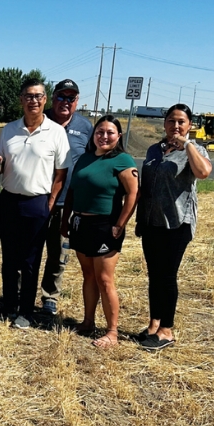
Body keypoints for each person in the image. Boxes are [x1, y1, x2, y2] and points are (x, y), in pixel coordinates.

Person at [0, 78, 70, 330]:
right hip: (10, 200)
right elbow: (2, 164)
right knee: (10, 259)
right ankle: (7, 307)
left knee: (30, 261)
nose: (33, 101)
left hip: (38, 203)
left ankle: (26, 311)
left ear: (44, 100)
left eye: (38, 96)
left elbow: (61, 173)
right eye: (28, 96)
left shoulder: (56, 132)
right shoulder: (9, 130)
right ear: (21, 100)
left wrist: (49, 203)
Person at [135, 104, 212, 351]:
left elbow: (203, 173)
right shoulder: (153, 150)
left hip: (177, 222)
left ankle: (166, 330)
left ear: (190, 125)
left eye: (181, 121)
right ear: (164, 123)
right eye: (171, 121)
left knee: (167, 276)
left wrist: (187, 145)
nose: (175, 126)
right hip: (151, 222)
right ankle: (154, 323)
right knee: (154, 275)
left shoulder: (196, 149)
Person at [61, 115, 138, 347]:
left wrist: (120, 224)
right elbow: (72, 192)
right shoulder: (84, 158)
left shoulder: (123, 160)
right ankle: (87, 322)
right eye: (99, 132)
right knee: (88, 276)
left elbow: (133, 194)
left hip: (105, 226)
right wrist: (66, 220)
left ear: (119, 136)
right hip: (81, 224)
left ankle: (112, 332)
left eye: (110, 132)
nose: (104, 136)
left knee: (105, 279)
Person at [39, 79, 93, 316]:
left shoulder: (85, 127)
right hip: (37, 196)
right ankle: (19, 293)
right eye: (61, 96)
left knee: (58, 254)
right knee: (27, 250)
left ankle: (50, 296)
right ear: (52, 98)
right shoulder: (40, 118)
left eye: (71, 98)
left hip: (66, 202)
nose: (66, 102)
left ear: (77, 102)